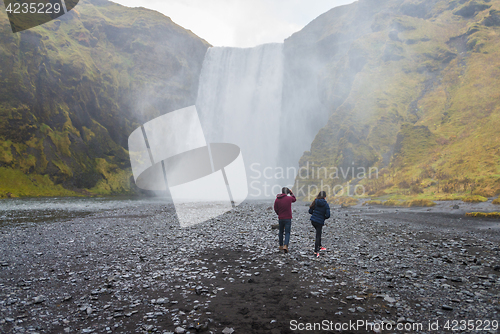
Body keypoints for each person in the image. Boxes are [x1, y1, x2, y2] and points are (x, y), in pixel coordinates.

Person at [274, 187, 296, 253]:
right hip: (288, 218)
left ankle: (280, 245)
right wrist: (291, 193)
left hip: (281, 218)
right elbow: (294, 199)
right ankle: (285, 245)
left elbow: (275, 208)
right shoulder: (289, 198)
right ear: (287, 192)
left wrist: (279, 214)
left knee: (280, 231)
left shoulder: (277, 199)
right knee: (287, 232)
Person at [309, 191, 330, 258]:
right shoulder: (326, 204)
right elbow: (328, 215)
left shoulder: (315, 201)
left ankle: (320, 246)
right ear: (324, 197)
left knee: (319, 232)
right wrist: (323, 217)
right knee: (318, 235)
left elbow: (310, 211)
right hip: (319, 221)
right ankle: (316, 252)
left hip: (313, 221)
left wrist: (315, 215)